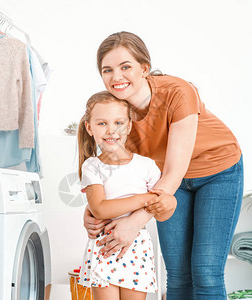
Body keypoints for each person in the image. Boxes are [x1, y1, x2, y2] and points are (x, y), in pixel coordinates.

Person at [83, 31, 244, 300]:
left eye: (126, 67)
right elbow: (119, 171)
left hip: (217, 171)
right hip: (165, 185)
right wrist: (92, 208)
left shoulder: (178, 92)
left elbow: (172, 173)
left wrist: (134, 223)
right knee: (178, 274)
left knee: (205, 272)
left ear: (144, 68)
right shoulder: (118, 115)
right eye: (107, 70)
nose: (116, 77)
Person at [77, 91, 174, 300]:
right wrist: (145, 199)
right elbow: (100, 208)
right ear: (89, 128)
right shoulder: (92, 166)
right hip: (105, 247)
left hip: (137, 248)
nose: (111, 130)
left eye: (118, 122)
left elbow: (163, 212)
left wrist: (166, 201)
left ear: (129, 126)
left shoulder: (147, 166)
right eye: (102, 123)